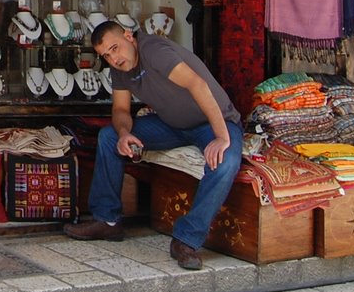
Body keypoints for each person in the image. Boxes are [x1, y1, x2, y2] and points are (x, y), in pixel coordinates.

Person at [63, 20, 243, 270]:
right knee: (109, 137)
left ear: (128, 36)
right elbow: (121, 109)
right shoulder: (120, 69)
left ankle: (186, 240)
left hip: (213, 120)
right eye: (106, 55)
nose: (113, 58)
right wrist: (125, 133)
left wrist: (222, 136)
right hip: (173, 125)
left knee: (226, 163)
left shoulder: (154, 50)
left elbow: (197, 84)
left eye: (115, 48)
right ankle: (108, 221)